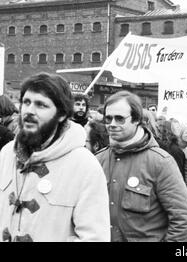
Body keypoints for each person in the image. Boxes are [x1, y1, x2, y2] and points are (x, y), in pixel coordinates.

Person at [0, 72, 110, 242]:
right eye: (26, 102)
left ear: (61, 115)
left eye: (41, 105)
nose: (29, 111)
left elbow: (94, 237)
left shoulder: (85, 165)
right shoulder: (7, 154)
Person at [96, 91, 187, 242]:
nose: (112, 124)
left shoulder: (160, 162)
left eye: (120, 119)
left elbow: (183, 218)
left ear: (136, 119)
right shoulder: (98, 160)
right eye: (108, 119)